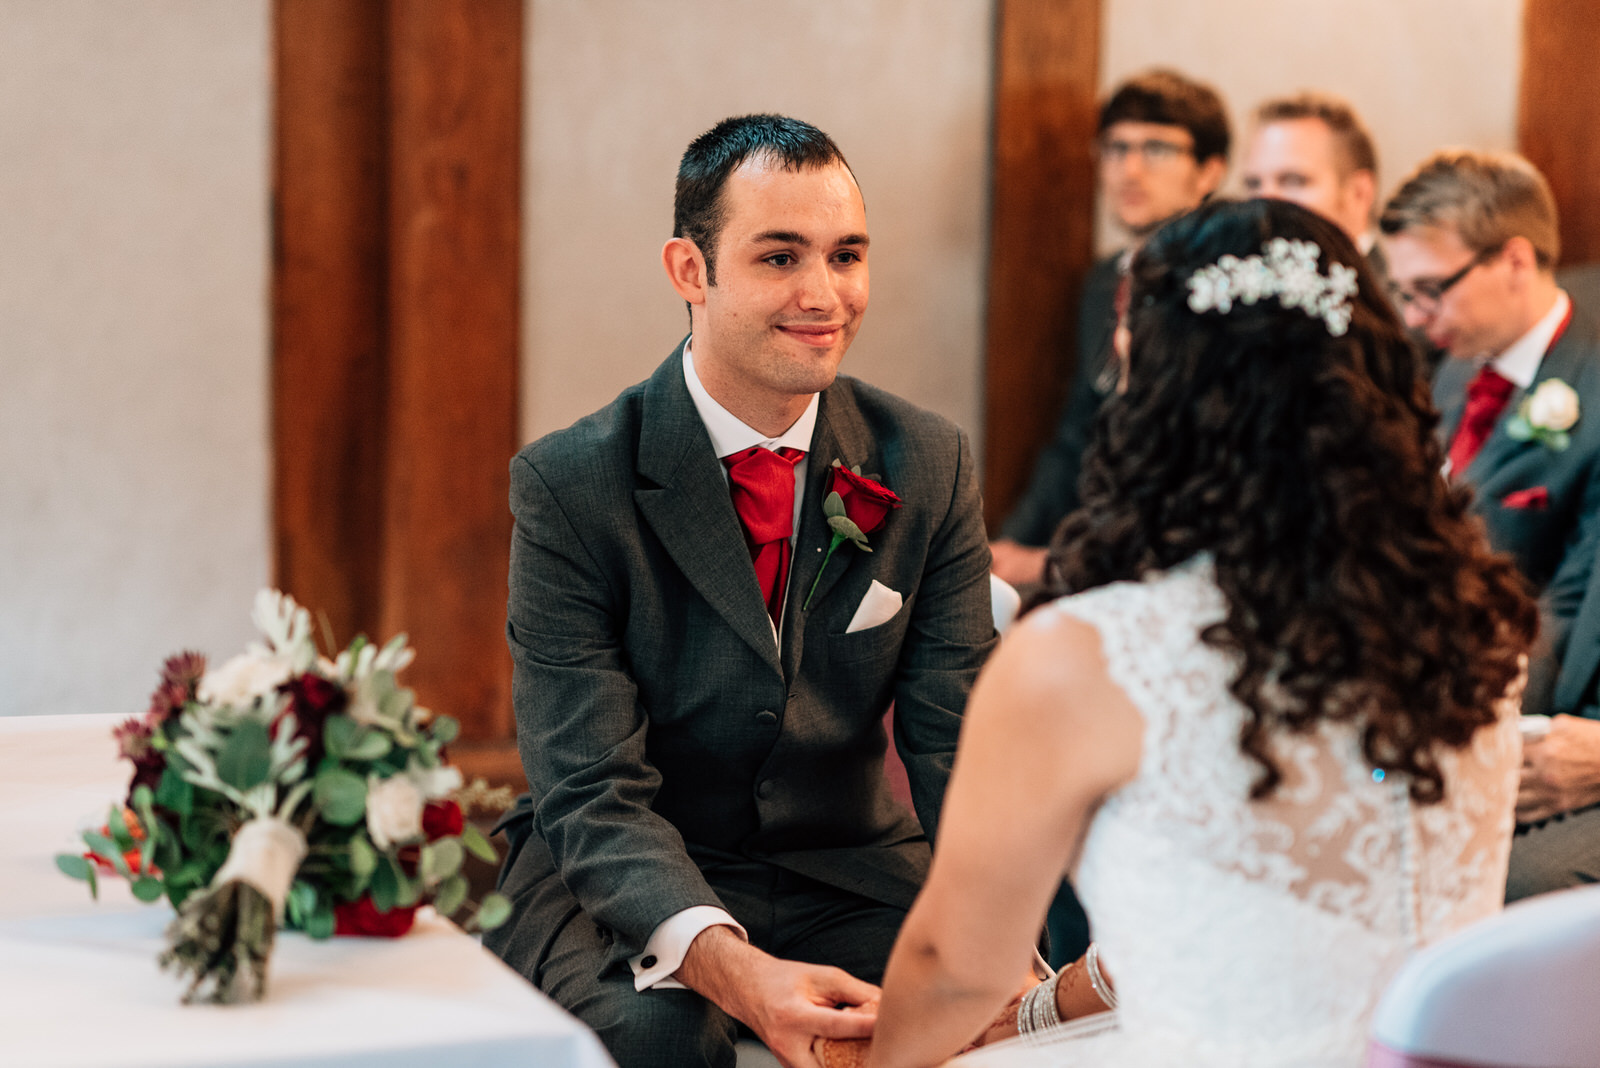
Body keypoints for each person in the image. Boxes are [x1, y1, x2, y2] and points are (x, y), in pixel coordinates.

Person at [861, 198, 1535, 1067]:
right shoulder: (1475, 618)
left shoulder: (1086, 657)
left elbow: (955, 969)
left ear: (1157, 399)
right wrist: (1046, 1009)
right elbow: (1284, 914)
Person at [484, 114, 996, 1068]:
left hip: (847, 867)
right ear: (691, 270)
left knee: (976, 1015)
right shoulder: (569, 485)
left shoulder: (929, 462)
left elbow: (956, 743)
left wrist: (996, 946)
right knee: (661, 1035)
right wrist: (741, 974)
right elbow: (590, 786)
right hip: (620, 866)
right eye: (779, 257)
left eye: (847, 256)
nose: (824, 294)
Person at [1381, 149, 1600, 724]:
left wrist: (1453, 720)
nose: (1414, 317)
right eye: (1404, 292)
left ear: (1515, 262)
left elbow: (1571, 608)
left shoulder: (1593, 385)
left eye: (1431, 288)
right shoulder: (1451, 367)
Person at [991, 69, 1230, 592]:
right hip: (1097, 537)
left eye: (1157, 149)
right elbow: (1078, 432)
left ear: (1209, 170)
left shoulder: (1224, 288)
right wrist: (1006, 545)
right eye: (1116, 149)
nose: (1130, 170)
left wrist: (1058, 562)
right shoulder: (1104, 281)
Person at [1240, 91, 1381, 274]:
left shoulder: (1398, 290)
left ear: (1359, 193)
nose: (1264, 200)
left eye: (1293, 181)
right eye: (1253, 184)